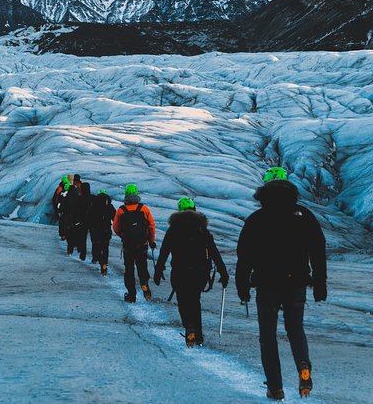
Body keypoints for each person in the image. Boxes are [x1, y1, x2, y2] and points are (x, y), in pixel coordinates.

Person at [235, 167, 327, 400]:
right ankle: (303, 365)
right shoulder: (304, 215)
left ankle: (275, 388)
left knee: (267, 337)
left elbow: (244, 255)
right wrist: (319, 283)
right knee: (295, 328)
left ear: (264, 190)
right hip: (296, 282)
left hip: (266, 284)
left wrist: (242, 286)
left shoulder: (256, 219)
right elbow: (317, 250)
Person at [154, 197, 229, 348]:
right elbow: (214, 251)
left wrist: (159, 270)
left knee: (183, 301)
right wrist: (223, 272)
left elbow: (164, 251)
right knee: (195, 301)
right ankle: (199, 336)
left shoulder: (174, 229)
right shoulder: (202, 229)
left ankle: (189, 328)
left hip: (180, 271)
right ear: (194, 209)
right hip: (200, 272)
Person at [113, 183, 156, 303]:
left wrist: (123, 236)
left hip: (128, 246)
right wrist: (151, 241)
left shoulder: (121, 210)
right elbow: (151, 226)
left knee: (129, 269)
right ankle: (144, 284)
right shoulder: (144, 209)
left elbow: (116, 228)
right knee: (142, 266)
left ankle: (131, 295)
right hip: (142, 244)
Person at [88, 189, 116, 276]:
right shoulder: (110, 206)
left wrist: (90, 227)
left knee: (97, 246)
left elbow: (89, 217)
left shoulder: (93, 205)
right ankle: (104, 264)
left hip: (96, 230)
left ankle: (99, 260)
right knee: (105, 247)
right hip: (106, 230)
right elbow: (115, 218)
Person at [52, 175, 72, 240]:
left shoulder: (59, 188)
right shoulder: (69, 189)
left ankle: (62, 235)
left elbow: (55, 198)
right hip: (67, 209)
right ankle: (66, 234)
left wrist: (56, 208)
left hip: (60, 208)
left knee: (61, 222)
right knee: (66, 222)